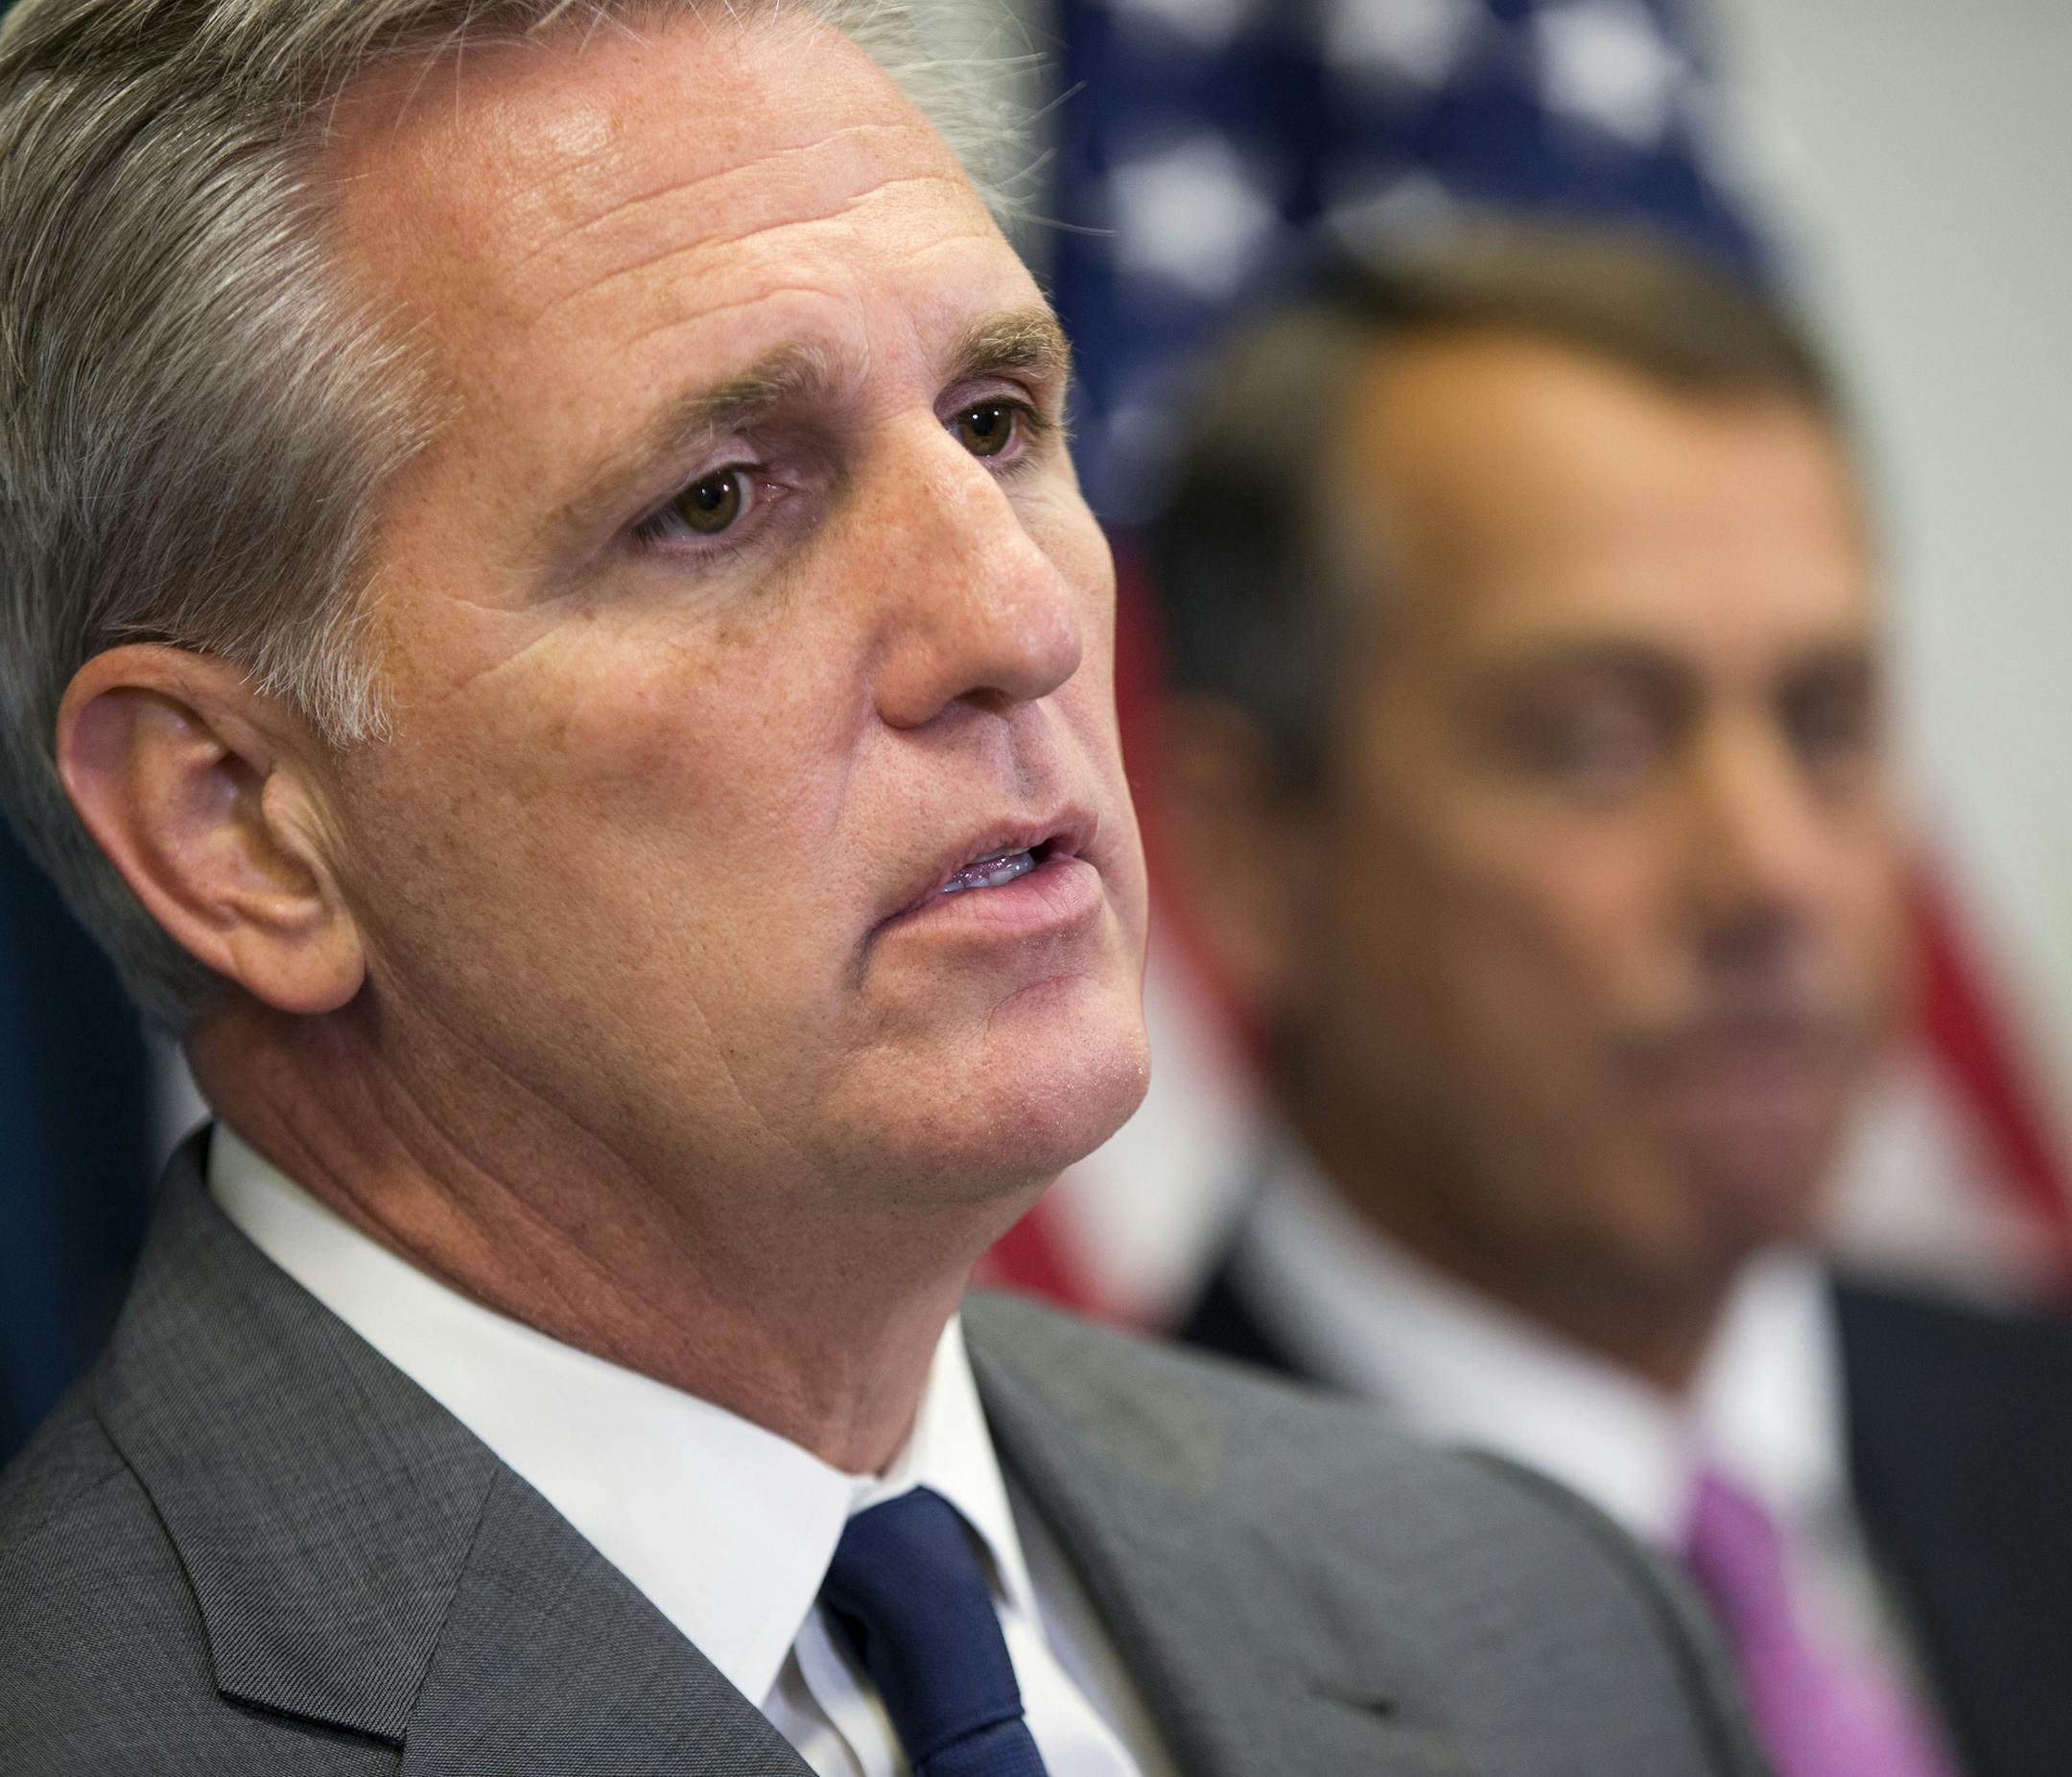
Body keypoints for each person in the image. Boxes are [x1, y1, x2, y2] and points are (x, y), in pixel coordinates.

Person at [0, 3, 1776, 1773]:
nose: (1022, 622)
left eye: (998, 421)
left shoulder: (1538, 1624)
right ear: (238, 827)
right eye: (712, 503)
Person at [1147, 225, 2072, 1777]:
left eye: (1826, 720)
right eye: (1592, 740)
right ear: (1253, 855)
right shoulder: (1104, 1618)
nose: (1772, 872)